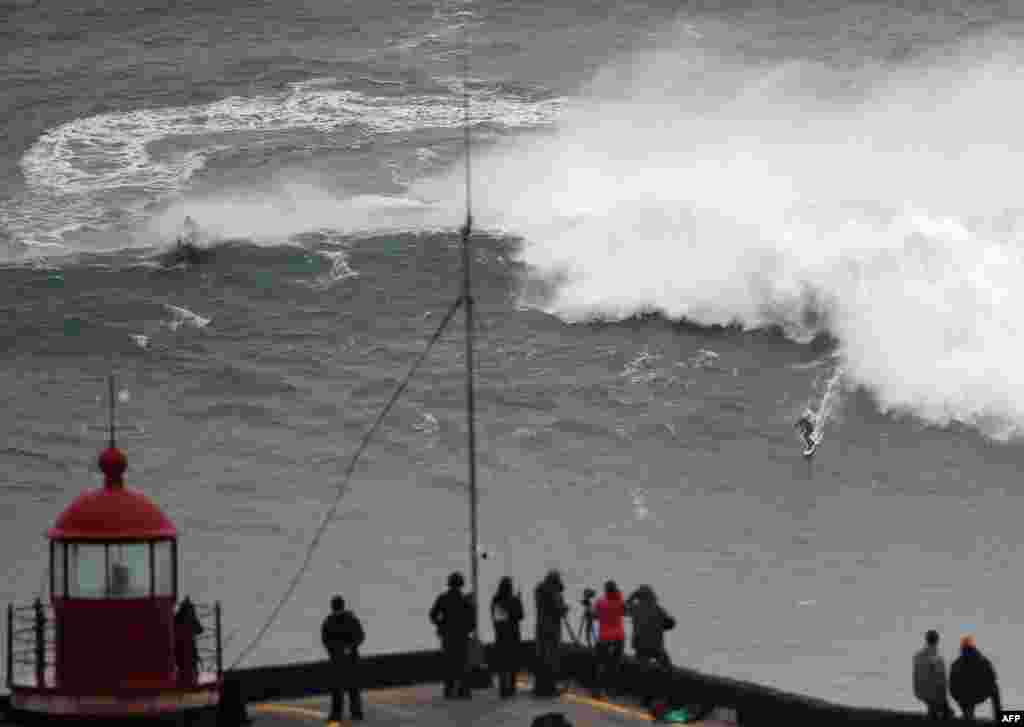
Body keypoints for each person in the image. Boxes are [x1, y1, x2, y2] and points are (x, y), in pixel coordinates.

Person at [429, 572, 476, 699]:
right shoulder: (465, 600)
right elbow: (472, 621)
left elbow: (432, 615)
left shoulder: (442, 598)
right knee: (462, 663)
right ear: (461, 584)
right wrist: (467, 629)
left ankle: (449, 691)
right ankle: (463, 690)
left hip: (447, 636)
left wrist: (441, 625)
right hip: (461, 636)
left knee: (449, 663)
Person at [321, 595, 365, 722]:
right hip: (352, 658)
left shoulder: (329, 621)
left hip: (337, 659)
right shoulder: (352, 619)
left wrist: (334, 650)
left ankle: (336, 715)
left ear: (332, 606)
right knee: (353, 687)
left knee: (337, 688)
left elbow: (325, 640)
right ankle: (356, 713)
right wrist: (350, 647)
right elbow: (361, 636)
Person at [533, 570, 568, 697]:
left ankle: (539, 687)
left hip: (541, 627)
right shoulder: (553, 592)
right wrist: (565, 608)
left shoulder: (539, 590)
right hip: (552, 629)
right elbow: (558, 609)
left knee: (541, 657)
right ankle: (550, 688)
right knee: (551, 659)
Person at [949, 636, 1001, 722]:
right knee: (995, 688)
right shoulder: (983, 661)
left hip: (962, 696)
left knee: (961, 690)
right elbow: (993, 678)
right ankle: (998, 715)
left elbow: (951, 685)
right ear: (973, 648)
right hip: (977, 694)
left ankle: (967, 713)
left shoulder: (956, 663)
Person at [626, 585, 675, 669]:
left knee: (640, 667)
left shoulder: (635, 608)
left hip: (641, 645)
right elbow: (671, 623)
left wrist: (632, 596)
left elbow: (625, 606)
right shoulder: (658, 609)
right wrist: (660, 626)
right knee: (667, 667)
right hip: (656, 645)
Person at [491, 576, 524, 698]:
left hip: (500, 636)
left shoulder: (496, 600)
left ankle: (503, 689)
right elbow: (520, 616)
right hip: (513, 635)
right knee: (513, 663)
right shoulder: (514, 600)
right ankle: (511, 687)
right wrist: (519, 601)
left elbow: (497, 618)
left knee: (503, 664)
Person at [592, 580, 626, 698]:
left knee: (601, 664)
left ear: (605, 591)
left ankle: (597, 691)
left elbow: (594, 615)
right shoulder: (620, 601)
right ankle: (613, 691)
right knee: (615, 665)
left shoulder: (601, 602)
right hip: (618, 638)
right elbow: (624, 611)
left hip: (604, 638)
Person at [913, 629, 951, 719]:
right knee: (940, 709)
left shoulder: (917, 655)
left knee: (933, 708)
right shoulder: (937, 658)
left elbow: (916, 675)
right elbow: (940, 679)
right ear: (937, 641)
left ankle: (934, 714)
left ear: (926, 640)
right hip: (933, 692)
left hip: (920, 690)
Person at [174, 597, 204, 686]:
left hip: (182, 649)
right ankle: (192, 684)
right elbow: (199, 630)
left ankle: (187, 683)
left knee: (184, 668)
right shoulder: (183, 618)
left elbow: (199, 630)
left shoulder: (177, 618)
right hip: (186, 648)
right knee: (189, 668)